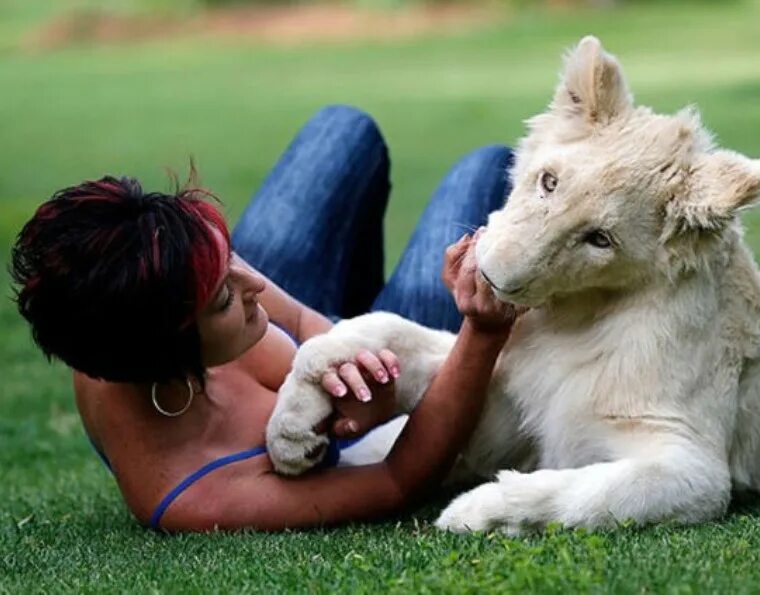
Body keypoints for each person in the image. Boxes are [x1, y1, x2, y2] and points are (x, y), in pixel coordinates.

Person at [11, 105, 518, 532]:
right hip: (398, 421)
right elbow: (397, 482)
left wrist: (354, 358)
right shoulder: (197, 493)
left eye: (229, 255)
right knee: (482, 168)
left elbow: (295, 315)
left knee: (342, 129)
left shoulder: (166, 274)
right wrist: (482, 331)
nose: (254, 284)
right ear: (168, 352)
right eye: (223, 298)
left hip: (339, 340)